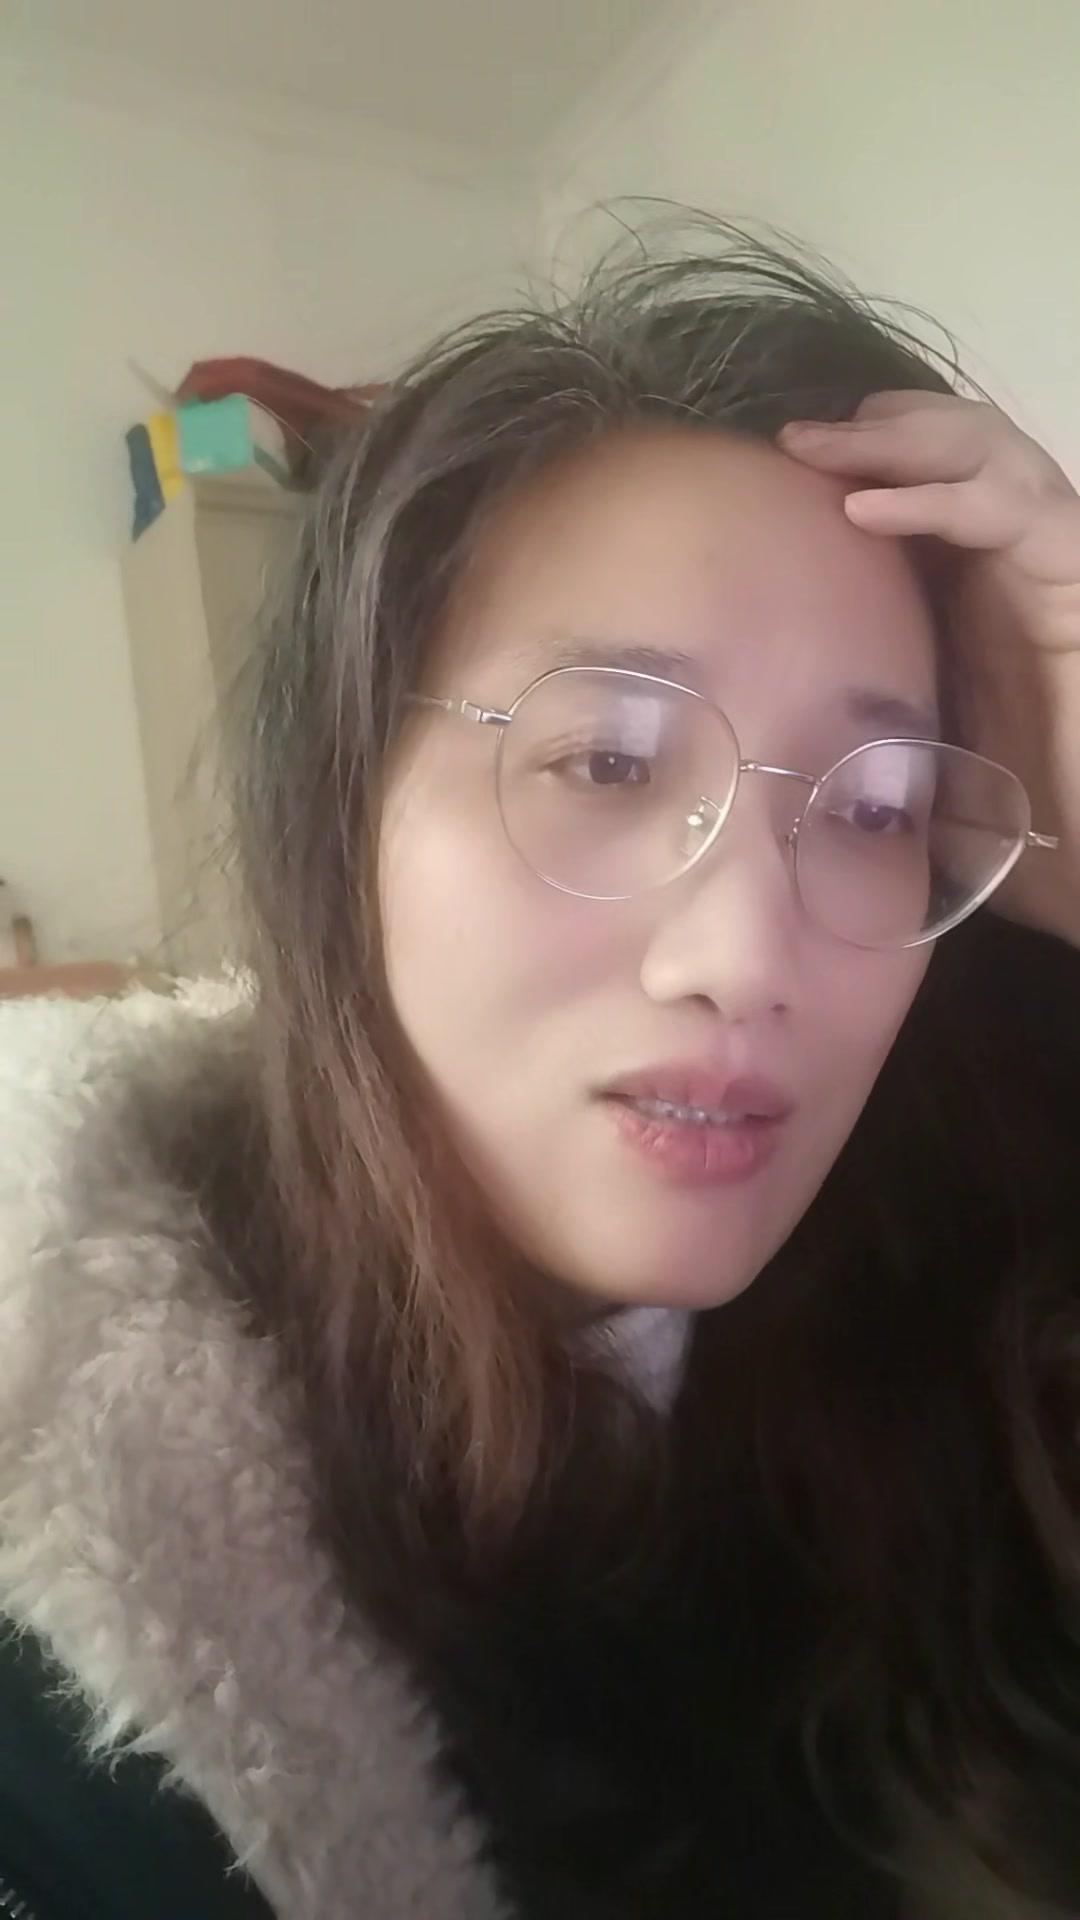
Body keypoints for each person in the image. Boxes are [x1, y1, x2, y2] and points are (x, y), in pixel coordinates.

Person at [2, 214, 1080, 1920]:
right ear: (341, 815)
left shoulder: (977, 1287)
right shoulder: (64, 1540)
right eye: (609, 762)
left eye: (876, 806)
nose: (746, 956)